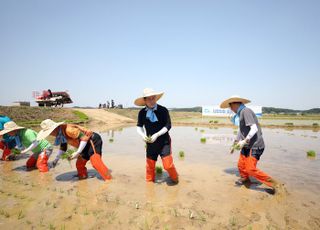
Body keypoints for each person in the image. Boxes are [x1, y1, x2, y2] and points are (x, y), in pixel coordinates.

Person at [220, 95, 279, 192]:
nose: (231, 109)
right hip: (246, 145)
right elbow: (241, 131)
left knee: (250, 169)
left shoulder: (245, 111)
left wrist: (244, 140)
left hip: (254, 145)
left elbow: (254, 128)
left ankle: (275, 184)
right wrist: (234, 145)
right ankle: (245, 180)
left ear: (235, 104)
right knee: (241, 165)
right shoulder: (240, 114)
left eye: (230, 107)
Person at [37, 119, 112, 181]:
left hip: (92, 140)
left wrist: (78, 152)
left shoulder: (68, 129)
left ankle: (109, 179)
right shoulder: (61, 135)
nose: (50, 134)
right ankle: (82, 177)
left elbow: (84, 138)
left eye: (50, 132)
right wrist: (55, 160)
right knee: (79, 164)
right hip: (83, 144)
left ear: (55, 128)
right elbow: (63, 148)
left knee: (95, 161)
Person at [135, 88, 178, 183]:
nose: (151, 101)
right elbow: (139, 126)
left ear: (156, 98)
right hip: (150, 143)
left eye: (153, 98)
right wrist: (143, 136)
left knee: (168, 166)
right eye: (149, 99)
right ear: (145, 100)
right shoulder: (142, 113)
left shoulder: (163, 110)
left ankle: (175, 179)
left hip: (164, 142)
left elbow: (168, 125)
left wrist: (157, 134)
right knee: (150, 167)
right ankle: (150, 186)